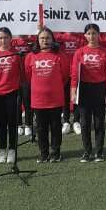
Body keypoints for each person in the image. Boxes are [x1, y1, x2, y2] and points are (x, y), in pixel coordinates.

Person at [25, 28, 70, 163]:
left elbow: (65, 75)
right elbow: (28, 76)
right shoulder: (30, 56)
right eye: (42, 38)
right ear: (37, 41)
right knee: (41, 128)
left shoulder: (60, 55)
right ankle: (43, 154)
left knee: (56, 127)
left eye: (48, 38)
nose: (45, 40)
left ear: (53, 40)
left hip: (55, 98)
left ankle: (56, 153)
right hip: (38, 100)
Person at [71, 24, 106, 163]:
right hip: (84, 89)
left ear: (99, 34)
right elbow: (74, 74)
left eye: (94, 33)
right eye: (88, 33)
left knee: (99, 122)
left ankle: (99, 152)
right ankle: (87, 151)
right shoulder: (79, 52)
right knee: (85, 123)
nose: (91, 36)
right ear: (85, 35)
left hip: (100, 88)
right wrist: (73, 91)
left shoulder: (105, 52)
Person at [0, 27, 24, 165]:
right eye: (0, 38)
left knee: (12, 124)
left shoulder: (17, 53)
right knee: (0, 124)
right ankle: (2, 151)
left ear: (11, 38)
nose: (3, 40)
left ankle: (12, 150)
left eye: (6, 37)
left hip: (12, 93)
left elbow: (22, 73)